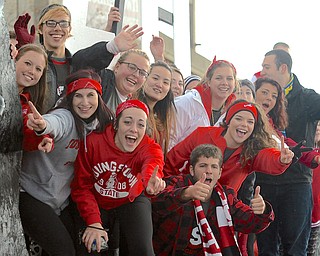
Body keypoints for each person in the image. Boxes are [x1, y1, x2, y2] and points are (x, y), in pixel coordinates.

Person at [20, 69, 114, 256]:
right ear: (70, 99)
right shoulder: (66, 117)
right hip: (31, 194)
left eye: (90, 95)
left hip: (61, 200)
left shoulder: (102, 126)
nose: (85, 102)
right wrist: (43, 126)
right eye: (78, 96)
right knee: (64, 251)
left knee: (83, 248)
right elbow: (55, 123)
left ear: (99, 97)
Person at [71, 99, 166, 255]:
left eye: (141, 125)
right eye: (127, 122)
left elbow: (153, 164)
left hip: (130, 198)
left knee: (143, 249)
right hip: (97, 199)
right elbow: (81, 186)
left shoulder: (149, 147)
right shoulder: (93, 142)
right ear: (116, 125)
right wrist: (93, 221)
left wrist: (150, 181)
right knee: (91, 246)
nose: (134, 129)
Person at [14, 4, 144, 113]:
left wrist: (113, 46)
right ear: (41, 29)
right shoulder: (36, 65)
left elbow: (89, 58)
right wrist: (24, 49)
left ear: (69, 29)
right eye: (51, 23)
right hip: (35, 134)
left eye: (63, 23)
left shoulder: (77, 63)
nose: (57, 28)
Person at [152, 144, 275, 255]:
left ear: (220, 172)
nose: (209, 171)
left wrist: (262, 211)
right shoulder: (177, 183)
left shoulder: (226, 196)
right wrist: (186, 194)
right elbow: (156, 204)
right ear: (191, 170)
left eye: (214, 167)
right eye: (203, 166)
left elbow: (250, 224)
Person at [255, 49, 320, 255]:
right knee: (266, 248)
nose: (262, 71)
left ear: (282, 68)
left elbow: (288, 142)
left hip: (296, 183)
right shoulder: (258, 97)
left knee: (294, 249)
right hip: (263, 182)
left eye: (267, 67)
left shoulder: (308, 98)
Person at [164, 99, 294, 193]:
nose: (244, 124)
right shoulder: (202, 134)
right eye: (238, 118)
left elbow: (267, 159)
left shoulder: (252, 150)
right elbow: (172, 161)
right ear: (228, 121)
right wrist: (171, 190)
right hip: (189, 198)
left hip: (222, 208)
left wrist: (280, 159)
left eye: (250, 122)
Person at [168, 56, 237, 151]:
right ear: (208, 82)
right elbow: (168, 140)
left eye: (229, 79)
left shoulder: (233, 112)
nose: (225, 83)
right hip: (175, 163)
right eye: (219, 78)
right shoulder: (187, 103)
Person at [16, 43, 53, 152]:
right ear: (14, 60)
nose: (32, 71)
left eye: (38, 69)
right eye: (28, 63)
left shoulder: (28, 105)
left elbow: (25, 140)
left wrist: (41, 135)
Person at [133, 60, 176, 154]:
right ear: (145, 78)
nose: (159, 85)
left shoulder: (161, 119)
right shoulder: (131, 107)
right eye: (155, 78)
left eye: (165, 82)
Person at [99, 48, 150, 113]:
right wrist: (112, 46)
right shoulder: (101, 80)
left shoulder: (134, 108)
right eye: (132, 67)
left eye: (142, 73)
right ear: (117, 67)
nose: (136, 75)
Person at [307, 121, 320, 255]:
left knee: (311, 252)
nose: (317, 128)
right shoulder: (303, 152)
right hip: (299, 214)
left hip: (316, 217)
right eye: (315, 124)